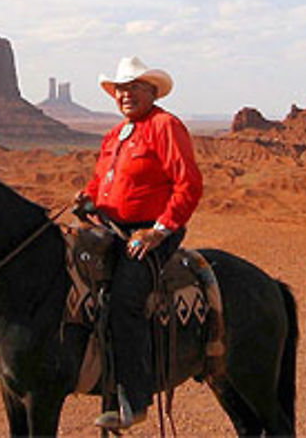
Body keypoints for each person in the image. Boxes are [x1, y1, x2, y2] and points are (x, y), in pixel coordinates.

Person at [75, 56, 203, 430]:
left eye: (133, 87)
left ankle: (134, 397)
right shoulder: (114, 136)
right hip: (112, 228)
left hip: (152, 232)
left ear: (151, 91)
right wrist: (86, 199)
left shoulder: (165, 126)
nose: (125, 94)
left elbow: (188, 185)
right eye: (120, 89)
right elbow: (100, 184)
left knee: (125, 300)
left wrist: (158, 230)